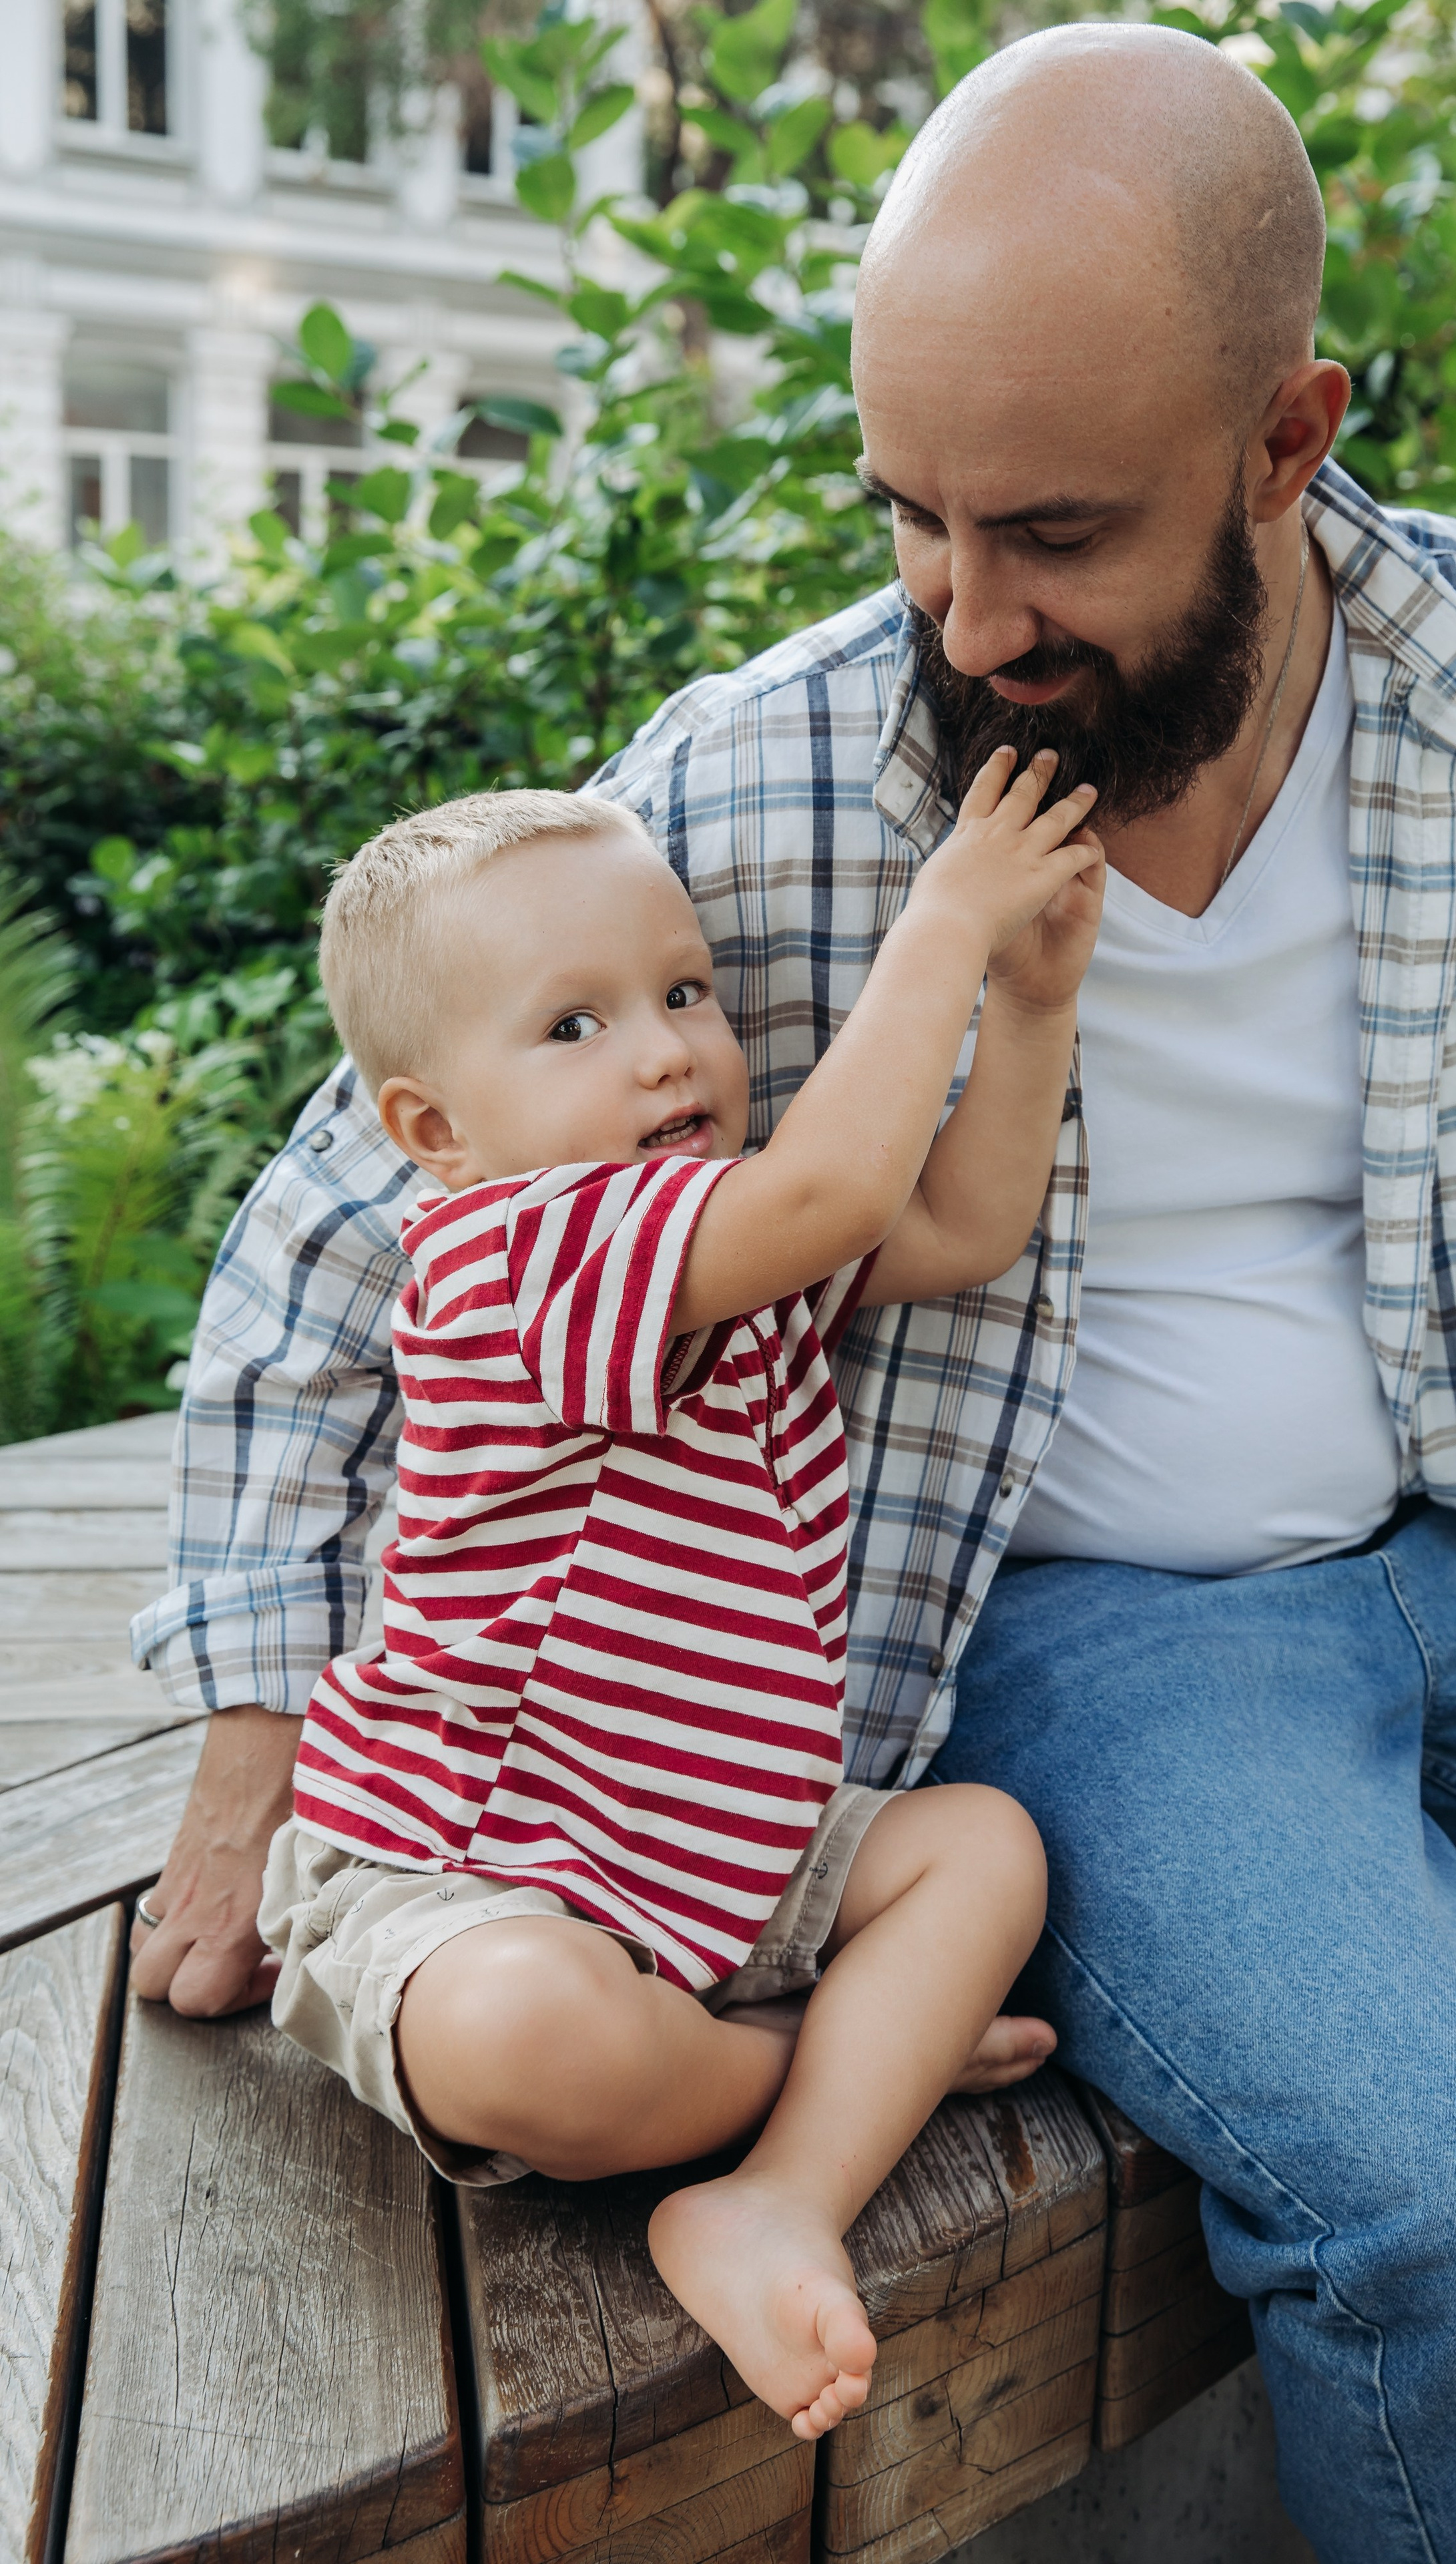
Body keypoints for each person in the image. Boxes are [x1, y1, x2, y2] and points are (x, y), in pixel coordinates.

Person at [129, 23, 1456, 2561]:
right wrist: (254, 1728)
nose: (967, 615)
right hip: (1088, 1634)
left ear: (1289, 440)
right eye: (910, 520)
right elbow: (345, 1226)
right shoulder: (767, 781)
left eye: (1054, 533)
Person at [253, 765, 1102, 2435]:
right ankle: (839, 2067)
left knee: (977, 1846)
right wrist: (944, 918)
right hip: (461, 1875)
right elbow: (839, 1193)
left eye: (685, 993)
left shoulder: (721, 1244)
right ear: (433, 1130)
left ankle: (776, 2192)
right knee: (518, 2036)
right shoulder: (510, 1255)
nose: (665, 1049)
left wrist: (1031, 998)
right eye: (573, 1025)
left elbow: (957, 1218)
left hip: (709, 1869)